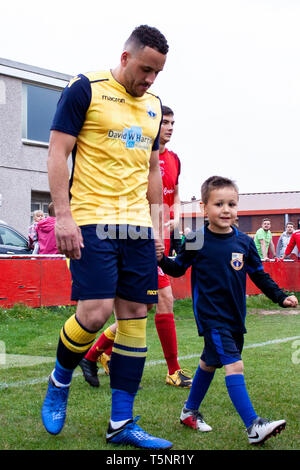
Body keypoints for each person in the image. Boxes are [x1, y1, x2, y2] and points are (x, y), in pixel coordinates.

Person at [41, 25, 173, 450]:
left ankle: (121, 423)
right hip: (90, 219)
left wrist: (156, 225)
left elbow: (152, 171)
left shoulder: (152, 105)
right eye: (144, 69)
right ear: (124, 57)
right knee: (96, 313)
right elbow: (57, 152)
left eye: (157, 73)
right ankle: (60, 379)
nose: (149, 80)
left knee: (135, 314)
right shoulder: (85, 89)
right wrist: (63, 216)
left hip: (135, 225)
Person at [155, 175, 298, 445]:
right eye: (219, 204)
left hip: (235, 317)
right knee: (234, 364)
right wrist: (162, 257)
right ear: (204, 208)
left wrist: (280, 297)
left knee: (209, 363)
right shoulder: (196, 239)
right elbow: (176, 269)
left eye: (231, 204)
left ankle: (189, 412)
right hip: (212, 317)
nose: (226, 209)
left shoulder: (243, 242)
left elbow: (259, 275)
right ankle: (254, 426)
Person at [79, 106, 192, 389]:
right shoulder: (139, 157)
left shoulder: (175, 159)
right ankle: (172, 370)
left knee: (142, 306)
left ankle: (94, 355)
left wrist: (176, 217)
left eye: (172, 123)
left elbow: (175, 193)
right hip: (137, 238)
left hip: (160, 239)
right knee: (158, 301)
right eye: (164, 122)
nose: (169, 127)